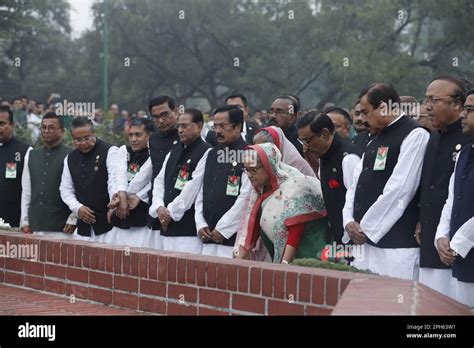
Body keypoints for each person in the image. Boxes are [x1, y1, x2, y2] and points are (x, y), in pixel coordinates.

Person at [343, 83, 429, 280]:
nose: (362, 119)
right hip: (363, 241)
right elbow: (355, 184)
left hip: (395, 246)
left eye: (365, 112)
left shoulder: (415, 135)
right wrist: (349, 221)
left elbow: (400, 188)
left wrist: (366, 228)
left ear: (383, 107)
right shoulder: (375, 138)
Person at [418, 75, 471, 296]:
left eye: (434, 100)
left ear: (457, 105)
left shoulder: (468, 139)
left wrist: (454, 238)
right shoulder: (435, 136)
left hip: (459, 243)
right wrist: (421, 219)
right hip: (433, 235)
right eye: (426, 100)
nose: (427, 107)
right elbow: (429, 184)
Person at [235, 143, 329, 264]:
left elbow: (295, 232)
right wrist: (236, 262)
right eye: (246, 170)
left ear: (269, 166)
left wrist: (284, 265)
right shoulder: (259, 194)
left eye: (253, 170)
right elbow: (252, 233)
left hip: (309, 254)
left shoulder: (292, 188)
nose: (249, 175)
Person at [149, 109, 211, 253]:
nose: (181, 130)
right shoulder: (173, 151)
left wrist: (169, 213)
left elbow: (192, 188)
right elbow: (159, 182)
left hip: (186, 228)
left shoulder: (206, 152)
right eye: (179, 126)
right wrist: (159, 207)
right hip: (164, 224)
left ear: (199, 126)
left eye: (185, 126)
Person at [435, 88, 474, 307]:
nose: (462, 115)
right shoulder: (465, 153)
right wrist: (442, 235)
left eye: (469, 109)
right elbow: (452, 199)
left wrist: (458, 242)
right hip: (461, 257)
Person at [297, 112, 361, 244]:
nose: (306, 146)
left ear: (325, 134)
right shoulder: (323, 156)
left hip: (355, 237)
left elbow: (358, 200)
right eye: (302, 141)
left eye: (308, 141)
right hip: (337, 235)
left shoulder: (349, 158)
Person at [195, 105, 252, 258]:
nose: (218, 131)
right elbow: (201, 192)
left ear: (238, 127)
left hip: (231, 239)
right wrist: (200, 223)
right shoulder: (211, 153)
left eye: (223, 126)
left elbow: (246, 197)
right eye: (215, 126)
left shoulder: (249, 154)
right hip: (207, 235)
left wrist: (224, 228)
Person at [127, 96, 180, 248]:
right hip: (155, 205)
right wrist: (126, 193)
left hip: (178, 209)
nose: (161, 121)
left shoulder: (185, 138)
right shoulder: (154, 139)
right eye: (155, 117)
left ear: (175, 111)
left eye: (165, 115)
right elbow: (152, 172)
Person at [60, 116, 123, 243]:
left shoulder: (110, 151)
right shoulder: (70, 159)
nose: (83, 143)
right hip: (83, 226)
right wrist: (77, 208)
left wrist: (114, 199)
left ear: (94, 133)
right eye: (78, 140)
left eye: (87, 138)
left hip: (109, 225)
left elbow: (114, 180)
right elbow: (65, 189)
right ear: (72, 139)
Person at [20, 112, 76, 237]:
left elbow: (78, 190)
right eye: (43, 127)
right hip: (35, 226)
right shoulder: (31, 154)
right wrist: (24, 221)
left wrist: (73, 218)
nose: (46, 131)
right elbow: (27, 191)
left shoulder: (72, 155)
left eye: (51, 128)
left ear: (62, 131)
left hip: (63, 228)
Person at [107, 118, 153, 248]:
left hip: (140, 218)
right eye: (131, 135)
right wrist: (117, 196)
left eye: (138, 135)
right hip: (119, 217)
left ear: (149, 136)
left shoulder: (153, 154)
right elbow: (117, 176)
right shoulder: (123, 150)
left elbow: (142, 179)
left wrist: (123, 198)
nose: (133, 139)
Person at [0, 106, 32, 227]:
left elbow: (27, 190)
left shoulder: (24, 151)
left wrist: (25, 220)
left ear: (12, 124)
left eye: (2, 123)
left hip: (13, 220)